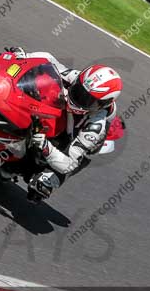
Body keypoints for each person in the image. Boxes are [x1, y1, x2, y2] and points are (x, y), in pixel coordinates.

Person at [6, 47, 123, 201]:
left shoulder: (96, 126)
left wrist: (44, 146)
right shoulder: (77, 78)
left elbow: (69, 164)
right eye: (78, 90)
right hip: (68, 115)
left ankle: (51, 180)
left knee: (45, 181)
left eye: (87, 99)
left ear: (102, 104)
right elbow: (48, 59)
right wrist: (24, 57)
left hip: (79, 135)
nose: (78, 98)